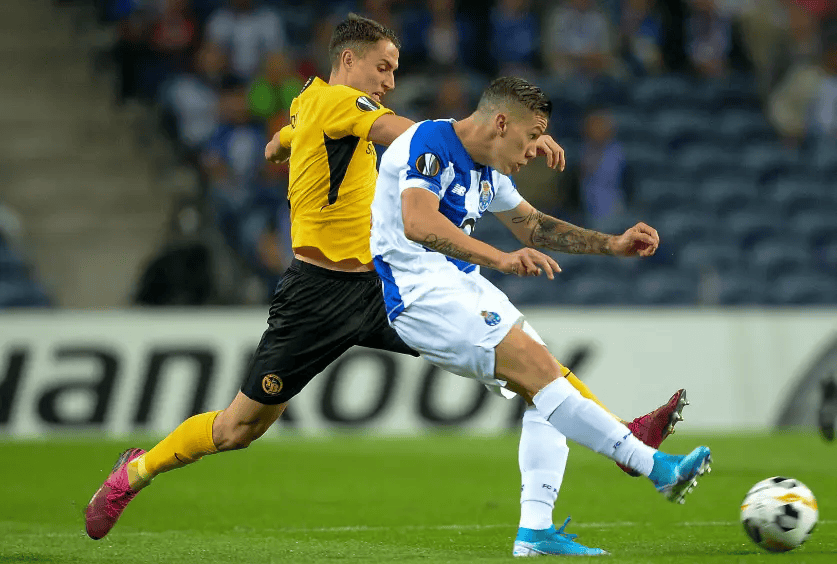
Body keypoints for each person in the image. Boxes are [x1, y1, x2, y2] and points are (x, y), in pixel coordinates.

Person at [85, 15, 688, 544]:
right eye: (383, 67)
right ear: (348, 60)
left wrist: (282, 144)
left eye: (395, 70)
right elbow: (419, 134)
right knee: (237, 428)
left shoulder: (310, 104)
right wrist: (507, 133)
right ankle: (135, 472)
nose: (389, 81)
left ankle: (623, 437)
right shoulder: (343, 105)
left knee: (521, 356)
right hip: (316, 296)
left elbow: (298, 130)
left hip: (386, 284)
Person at [369, 76, 712, 556]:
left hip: (460, 286)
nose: (535, 150)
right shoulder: (431, 141)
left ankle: (535, 531)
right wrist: (501, 258)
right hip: (419, 292)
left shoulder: (488, 170)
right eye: (531, 136)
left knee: (546, 390)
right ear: (501, 123)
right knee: (541, 372)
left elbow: (532, 227)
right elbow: (418, 222)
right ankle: (654, 467)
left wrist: (611, 243)